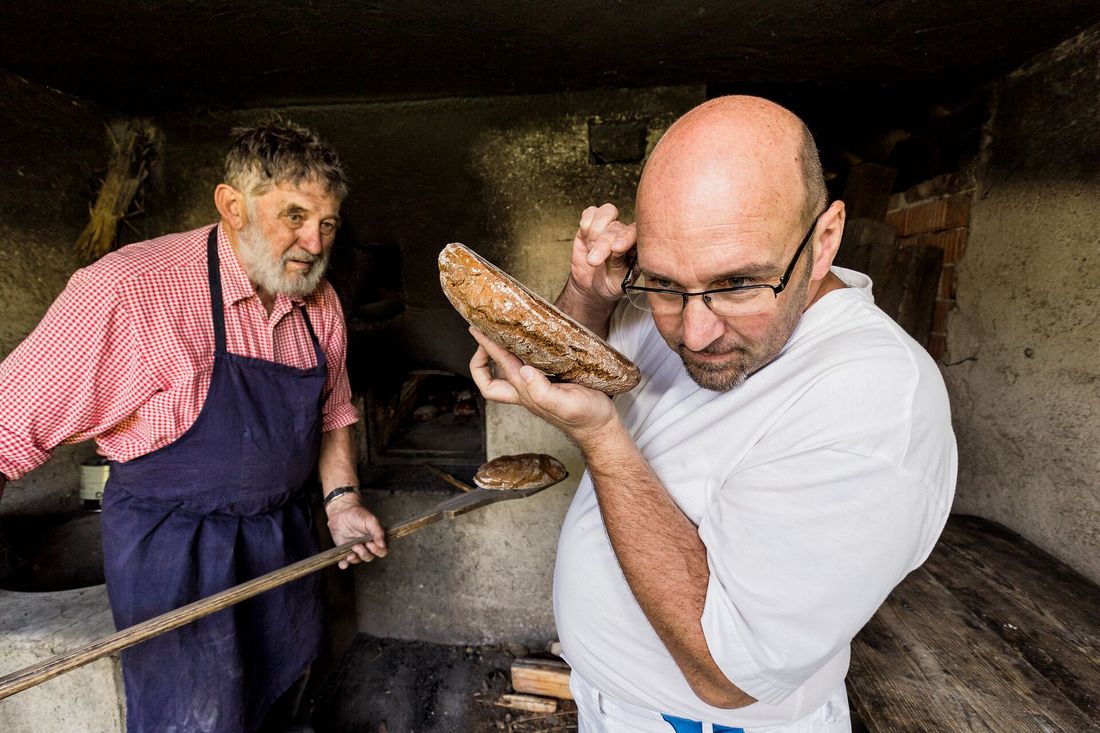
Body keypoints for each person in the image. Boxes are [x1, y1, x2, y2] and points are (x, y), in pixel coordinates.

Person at [469, 96, 957, 732]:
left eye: (735, 284)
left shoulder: (875, 403)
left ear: (826, 238)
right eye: (666, 285)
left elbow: (728, 674)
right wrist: (588, 296)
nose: (694, 334)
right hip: (615, 703)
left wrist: (601, 438)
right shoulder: (689, 313)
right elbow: (578, 370)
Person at [0, 122, 387, 732]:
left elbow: (333, 412)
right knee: (196, 716)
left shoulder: (320, 302)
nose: (314, 242)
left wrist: (342, 503)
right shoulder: (130, 291)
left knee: (287, 694)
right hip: (176, 552)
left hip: (283, 538)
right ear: (232, 206)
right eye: (293, 215)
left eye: (328, 223)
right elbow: (4, 427)